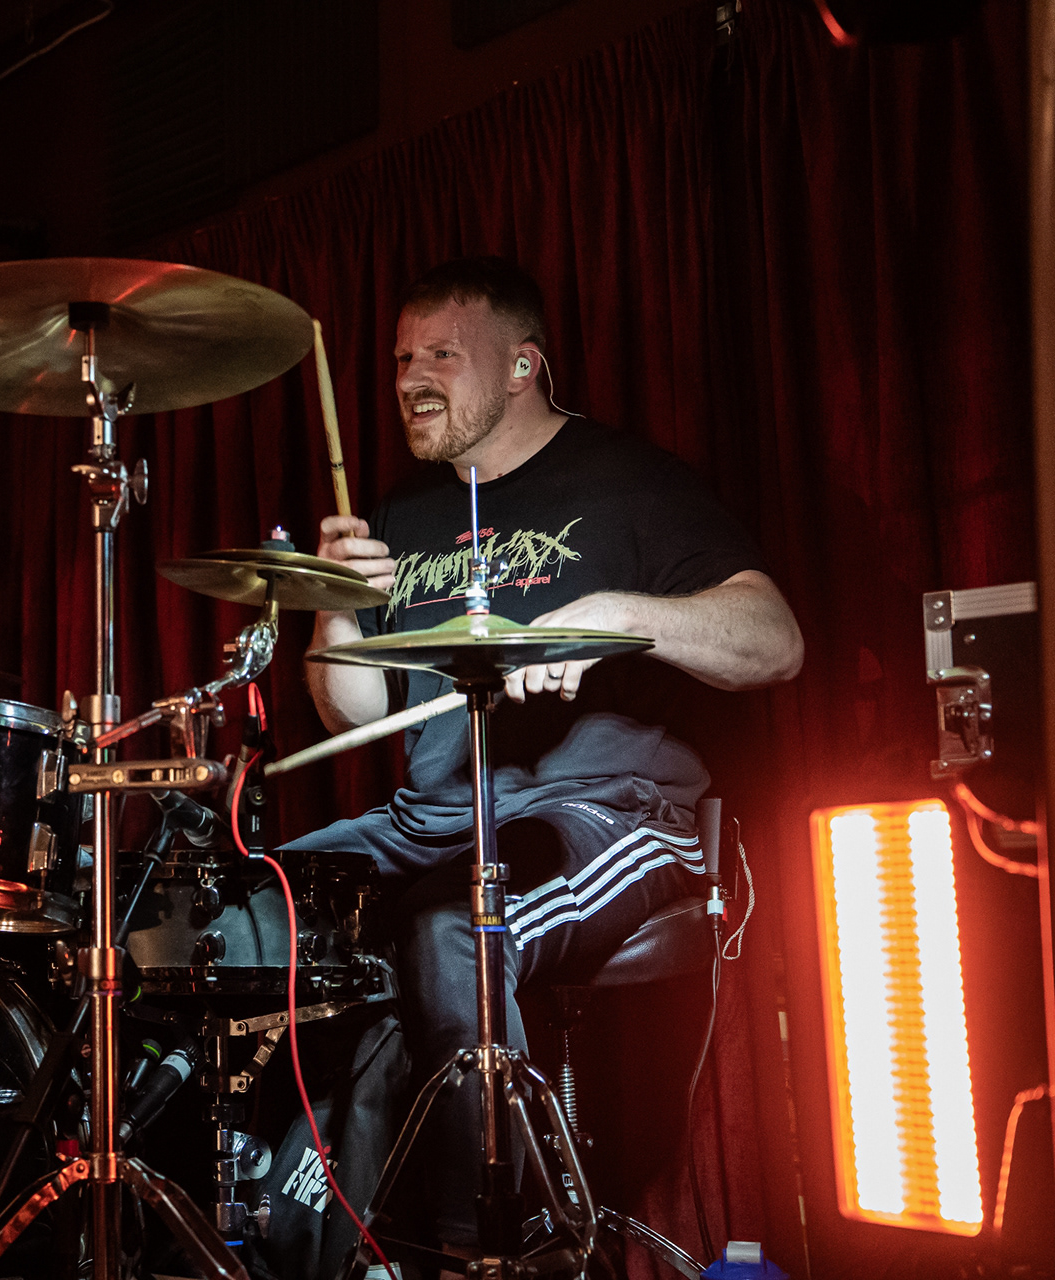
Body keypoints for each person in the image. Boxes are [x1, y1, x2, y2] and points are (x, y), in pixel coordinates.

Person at [255, 257, 803, 1273]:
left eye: (441, 355)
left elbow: (774, 642)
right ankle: (279, 1223)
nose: (412, 377)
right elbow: (358, 711)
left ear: (522, 366)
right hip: (434, 815)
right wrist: (335, 607)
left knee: (455, 926)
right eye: (402, 359)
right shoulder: (402, 513)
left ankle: (491, 1250)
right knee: (245, 911)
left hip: (610, 813)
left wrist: (616, 615)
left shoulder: (628, 480)